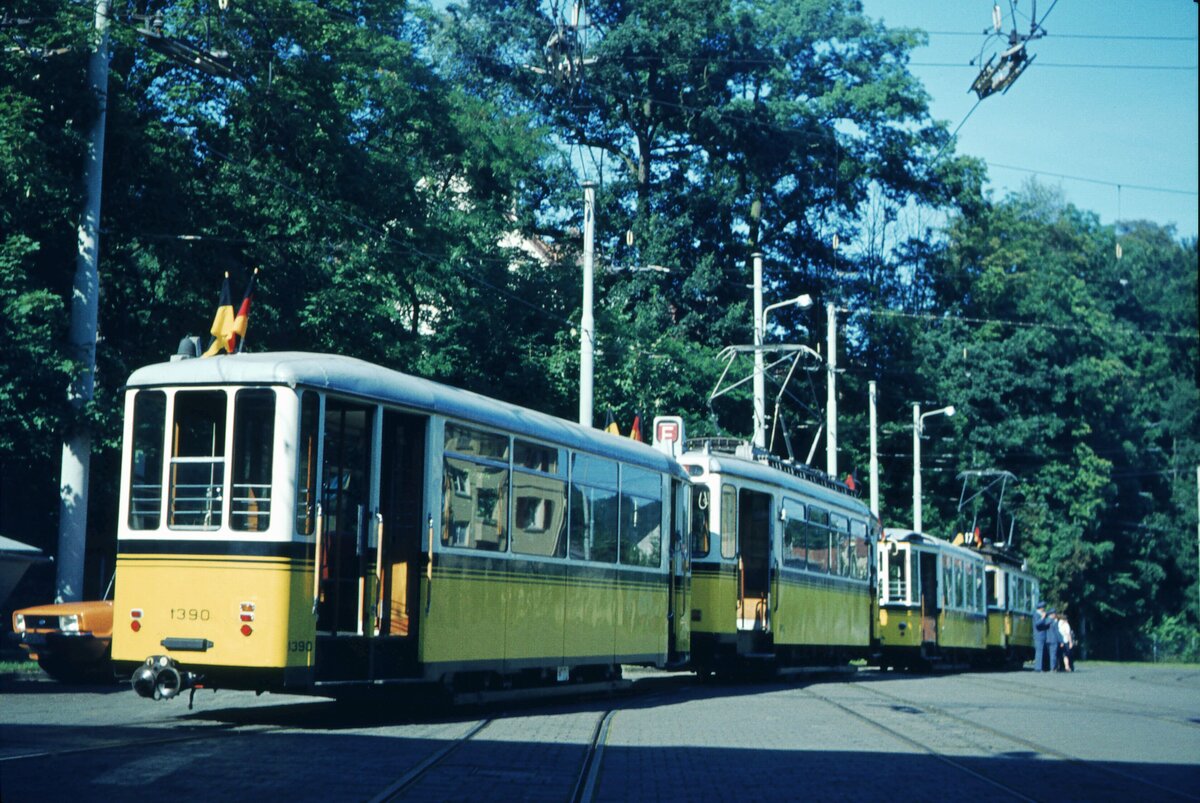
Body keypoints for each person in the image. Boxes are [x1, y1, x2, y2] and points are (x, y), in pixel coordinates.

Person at [1033, 602, 1051, 672]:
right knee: (1039, 652)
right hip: (1038, 636)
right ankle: (1038, 668)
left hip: (1044, 635)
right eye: (1043, 607)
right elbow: (1037, 624)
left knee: (1044, 652)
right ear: (1040, 608)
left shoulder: (1042, 614)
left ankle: (1044, 667)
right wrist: (1043, 617)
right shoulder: (1036, 614)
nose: (1044, 609)